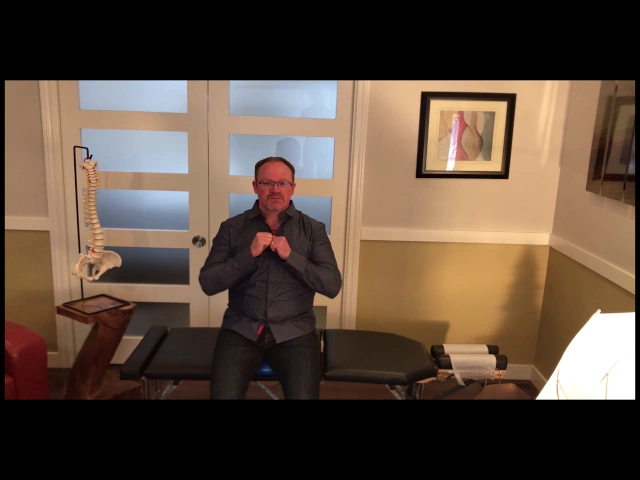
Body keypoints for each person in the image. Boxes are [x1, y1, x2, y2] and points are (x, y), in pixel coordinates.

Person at [199, 156, 342, 399]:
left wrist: (291, 256)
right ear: (255, 186)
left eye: (283, 183)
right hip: (241, 329)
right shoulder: (232, 228)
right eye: (267, 183)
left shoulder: (313, 230)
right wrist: (249, 254)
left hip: (295, 331)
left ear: (292, 188)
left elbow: (332, 285)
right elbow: (208, 283)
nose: (275, 189)